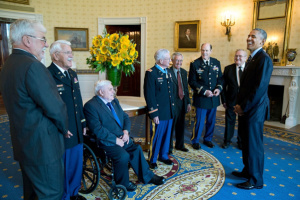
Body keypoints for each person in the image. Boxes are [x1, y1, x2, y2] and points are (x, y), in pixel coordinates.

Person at [0, 19, 68, 200]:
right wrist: (64, 128)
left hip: (24, 142)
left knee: (32, 194)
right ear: (27, 40)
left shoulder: (8, 64)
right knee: (51, 194)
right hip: (43, 147)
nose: (45, 45)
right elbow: (55, 107)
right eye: (42, 39)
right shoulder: (33, 66)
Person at [84, 80, 166, 192]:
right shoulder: (90, 106)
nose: (114, 91)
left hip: (122, 136)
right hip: (105, 141)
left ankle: (147, 176)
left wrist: (126, 132)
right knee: (123, 156)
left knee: (136, 149)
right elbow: (97, 130)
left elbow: (125, 117)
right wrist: (116, 140)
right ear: (101, 92)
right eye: (110, 89)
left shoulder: (114, 101)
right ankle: (123, 184)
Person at [233, 28, 273, 190]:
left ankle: (256, 180)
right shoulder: (252, 58)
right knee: (246, 142)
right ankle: (247, 171)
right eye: (249, 35)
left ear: (262, 42)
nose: (249, 38)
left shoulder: (264, 59)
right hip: (246, 108)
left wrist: (244, 107)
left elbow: (259, 89)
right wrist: (239, 104)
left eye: (253, 36)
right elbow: (245, 86)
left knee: (254, 145)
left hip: (254, 110)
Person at [48, 40, 87, 200]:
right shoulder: (48, 74)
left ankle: (74, 193)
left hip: (76, 126)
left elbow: (78, 99)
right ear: (56, 55)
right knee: (64, 165)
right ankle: (65, 196)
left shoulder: (72, 73)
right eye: (67, 52)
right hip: (63, 129)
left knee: (77, 162)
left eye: (71, 52)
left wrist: (83, 122)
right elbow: (49, 106)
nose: (71, 55)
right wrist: (61, 127)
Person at [144, 49, 175, 169]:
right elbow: (149, 95)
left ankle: (164, 155)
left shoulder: (168, 72)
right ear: (161, 60)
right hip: (159, 112)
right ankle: (153, 158)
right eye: (168, 59)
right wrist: (154, 113)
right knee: (156, 136)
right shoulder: (151, 73)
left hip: (169, 111)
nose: (170, 61)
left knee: (167, 136)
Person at [188, 43, 223, 149]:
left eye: (207, 50)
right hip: (202, 98)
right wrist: (204, 91)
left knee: (211, 121)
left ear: (211, 51)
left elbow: (220, 78)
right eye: (203, 50)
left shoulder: (216, 62)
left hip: (213, 98)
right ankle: (195, 140)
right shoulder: (195, 63)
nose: (204, 52)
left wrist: (218, 88)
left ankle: (208, 139)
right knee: (199, 122)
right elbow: (192, 81)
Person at [220, 49, 247, 149]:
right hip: (231, 99)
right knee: (229, 121)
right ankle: (227, 141)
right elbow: (223, 86)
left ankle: (240, 142)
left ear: (245, 58)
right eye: (236, 56)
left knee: (242, 122)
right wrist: (224, 100)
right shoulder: (228, 69)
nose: (238, 58)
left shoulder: (249, 69)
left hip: (244, 101)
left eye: (240, 56)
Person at [169, 52, 191, 154]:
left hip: (182, 102)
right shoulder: (167, 72)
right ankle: (168, 148)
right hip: (173, 103)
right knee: (171, 126)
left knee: (181, 125)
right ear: (172, 61)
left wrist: (188, 103)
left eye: (181, 60)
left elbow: (185, 89)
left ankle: (179, 145)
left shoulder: (183, 72)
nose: (179, 62)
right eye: (177, 60)